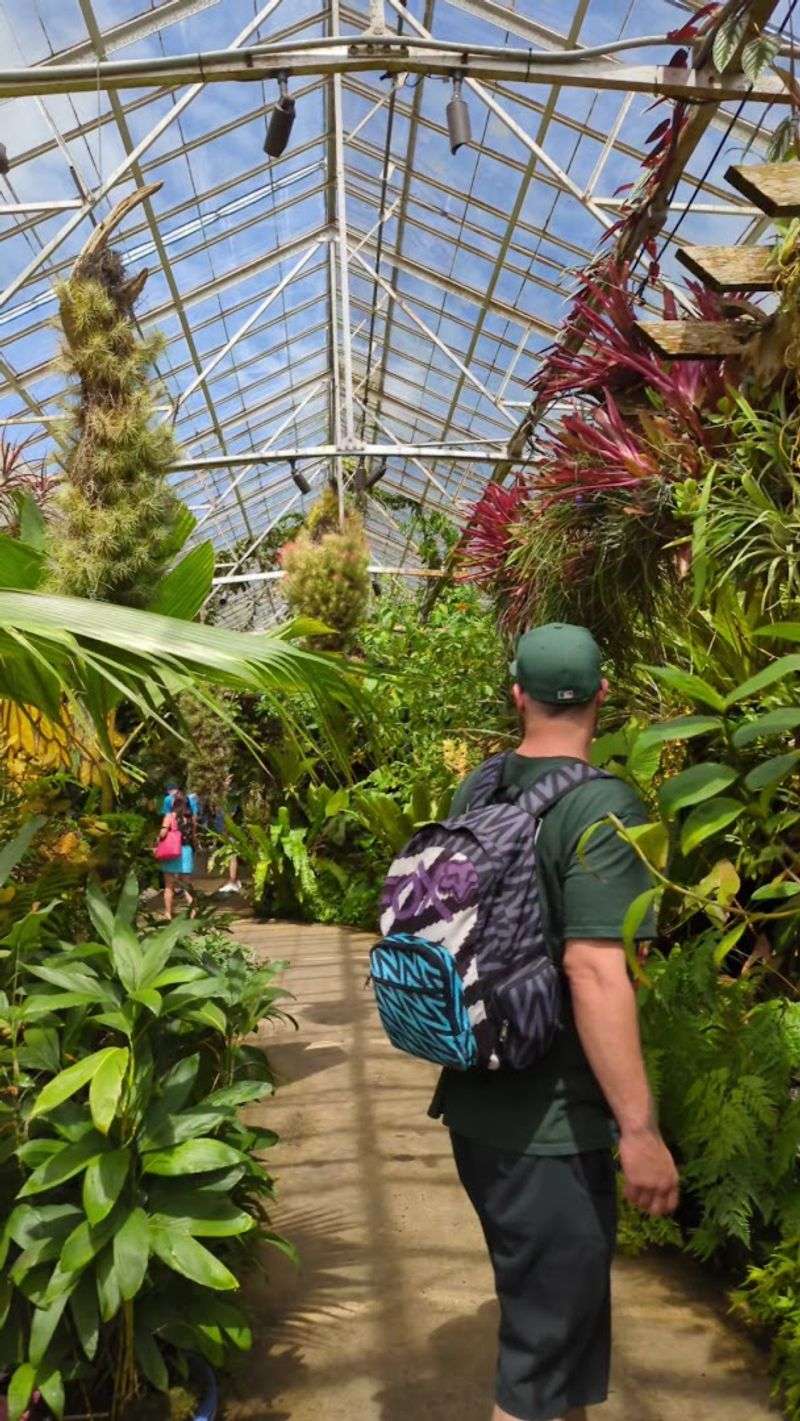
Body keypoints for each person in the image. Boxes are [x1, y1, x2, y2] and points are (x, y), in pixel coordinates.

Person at [431, 623, 679, 1421]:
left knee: (555, 1335)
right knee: (537, 1368)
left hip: (474, 1100)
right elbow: (596, 970)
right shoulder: (604, 808)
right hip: (551, 1125)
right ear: (604, 694)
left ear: (517, 694)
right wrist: (639, 1129)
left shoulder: (478, 790)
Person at [157, 789, 198, 920]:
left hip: (172, 852)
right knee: (187, 884)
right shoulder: (191, 818)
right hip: (186, 851)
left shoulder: (169, 817)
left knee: (169, 885)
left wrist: (158, 838)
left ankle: (168, 913)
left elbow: (162, 834)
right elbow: (193, 836)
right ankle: (193, 911)